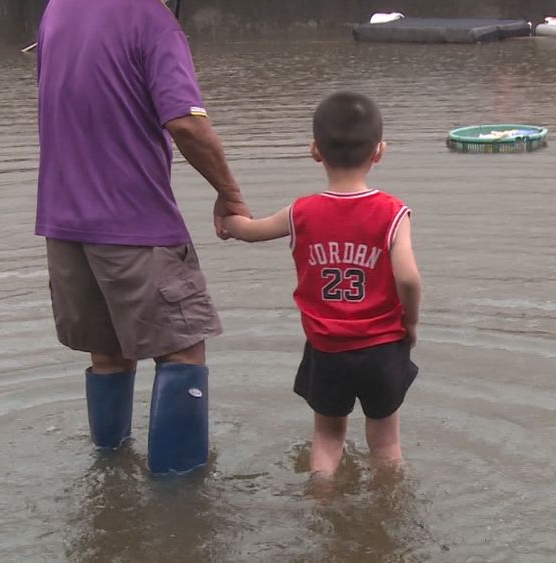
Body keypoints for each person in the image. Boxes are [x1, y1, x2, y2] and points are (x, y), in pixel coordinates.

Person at [35, 0, 250, 474]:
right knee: (182, 351)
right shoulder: (151, 19)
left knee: (109, 354)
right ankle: (180, 498)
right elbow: (185, 122)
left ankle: (110, 479)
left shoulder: (58, 10)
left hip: (64, 223)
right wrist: (230, 194)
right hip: (135, 222)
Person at [222, 92, 422, 477]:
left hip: (327, 349)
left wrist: (227, 219)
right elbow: (409, 277)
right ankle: (390, 504)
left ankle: (321, 498)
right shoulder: (393, 213)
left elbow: (249, 231)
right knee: (386, 444)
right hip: (383, 348)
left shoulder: (301, 212)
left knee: (327, 439)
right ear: (379, 152)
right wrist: (410, 322)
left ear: (315, 150)